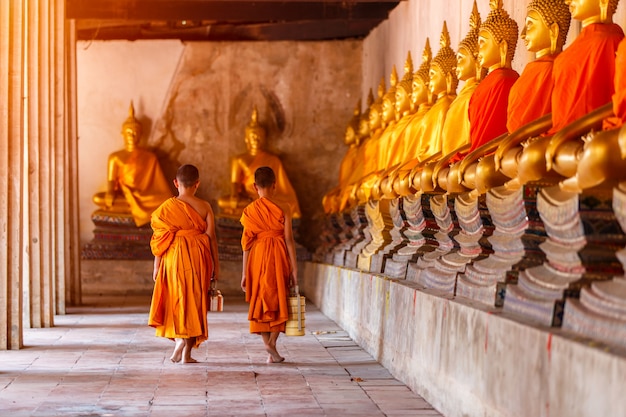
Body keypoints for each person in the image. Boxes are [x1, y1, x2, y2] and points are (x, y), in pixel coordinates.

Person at [148, 164, 220, 364]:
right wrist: (216, 265)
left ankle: (179, 339)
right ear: (197, 184)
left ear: (175, 183)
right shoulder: (205, 206)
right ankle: (186, 353)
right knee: (194, 302)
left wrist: (156, 265)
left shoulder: (166, 208)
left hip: (173, 256)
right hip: (199, 257)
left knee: (177, 299)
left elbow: (159, 239)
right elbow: (211, 237)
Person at [240, 166, 298, 364]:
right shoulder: (285, 207)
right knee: (279, 296)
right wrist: (295, 268)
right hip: (279, 254)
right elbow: (289, 239)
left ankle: (269, 345)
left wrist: (244, 273)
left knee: (260, 298)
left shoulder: (249, 211)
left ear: (255, 187)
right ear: (275, 185)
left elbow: (246, 244)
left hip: (257, 256)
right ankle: (271, 344)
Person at [93, 101, 172, 227]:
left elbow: (159, 185)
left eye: (135, 132)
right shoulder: (115, 157)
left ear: (140, 134)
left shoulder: (150, 157)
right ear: (122, 134)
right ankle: (133, 208)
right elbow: (111, 180)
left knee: (167, 200)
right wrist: (110, 192)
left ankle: (134, 208)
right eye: (128, 132)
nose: (132, 135)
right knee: (98, 199)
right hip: (125, 195)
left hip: (146, 196)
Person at [218, 107, 301, 218]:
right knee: (222, 202)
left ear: (264, 138)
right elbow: (235, 182)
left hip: (269, 197)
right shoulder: (239, 159)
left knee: (285, 204)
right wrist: (234, 195)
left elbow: (283, 188)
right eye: (253, 137)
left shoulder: (273, 160)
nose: (256, 140)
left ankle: (260, 208)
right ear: (246, 139)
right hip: (249, 198)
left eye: (259, 137)